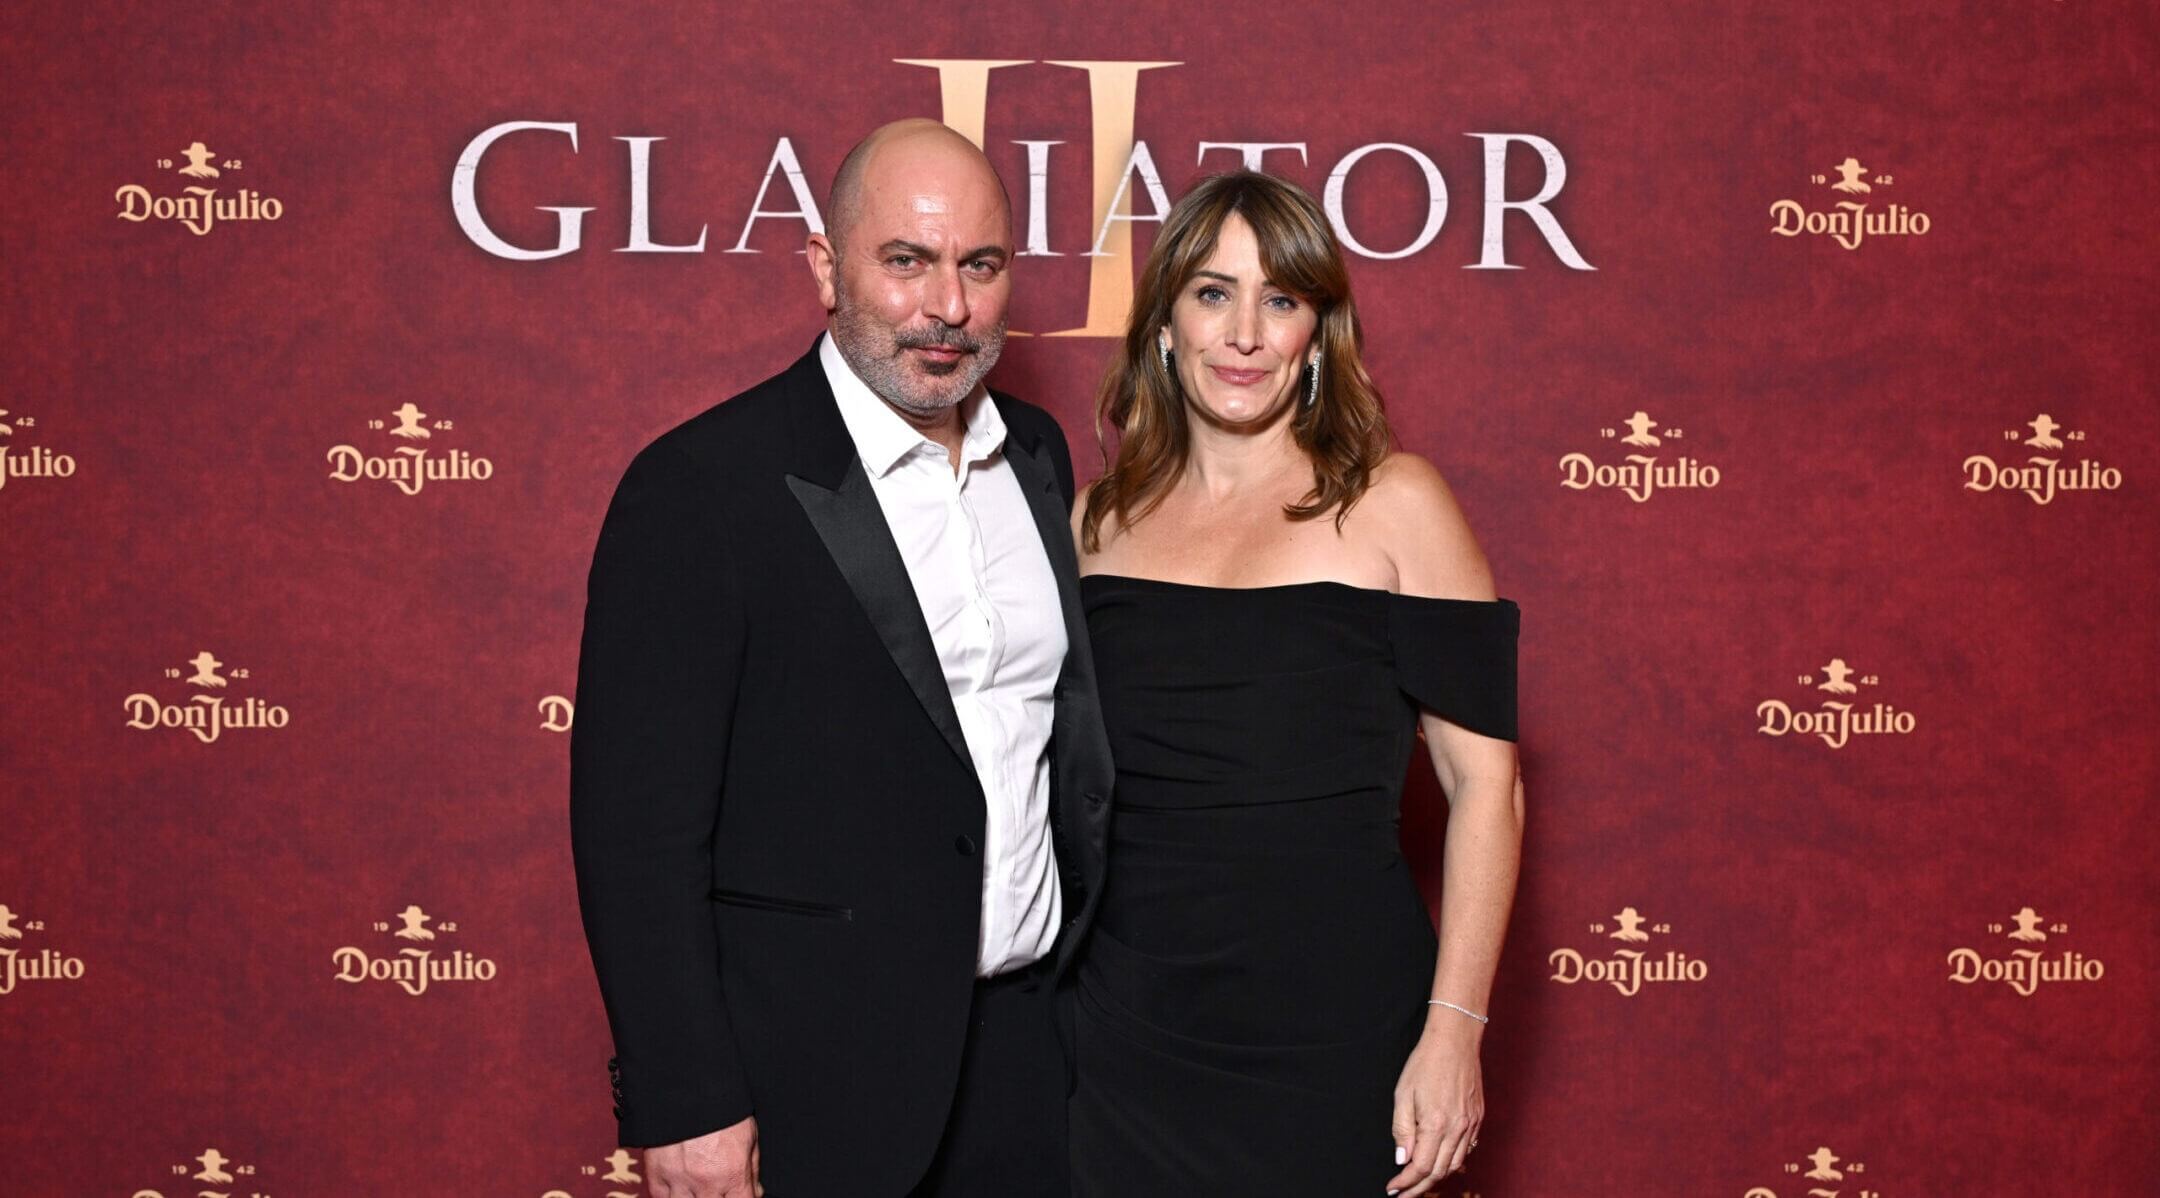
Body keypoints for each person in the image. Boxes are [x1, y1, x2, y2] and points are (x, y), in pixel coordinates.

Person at [570, 118, 1113, 1198]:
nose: (947, 307)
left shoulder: (1042, 460)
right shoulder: (702, 489)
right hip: (813, 1081)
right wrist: (687, 1097)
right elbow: (637, 833)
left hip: (1031, 1059)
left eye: (981, 266)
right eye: (906, 261)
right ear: (826, 268)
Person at [1066, 169, 1524, 1198]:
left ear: (1317, 333)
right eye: (1213, 292)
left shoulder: (1397, 504)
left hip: (1337, 1041)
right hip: (1123, 1041)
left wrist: (1453, 1030)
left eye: (1281, 299)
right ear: (1165, 322)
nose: (1245, 333)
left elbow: (1488, 786)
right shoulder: (1090, 526)